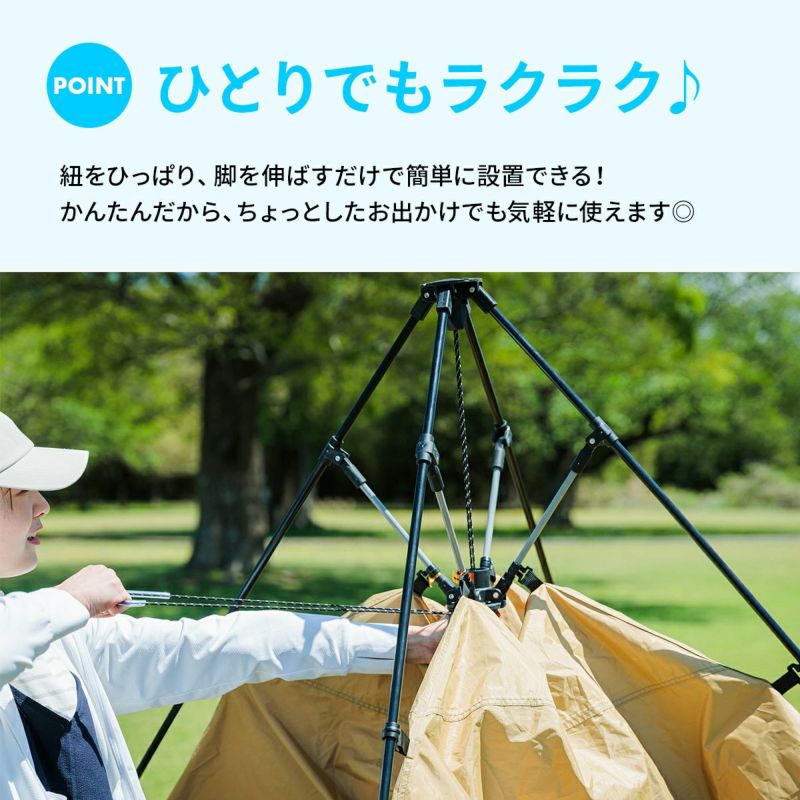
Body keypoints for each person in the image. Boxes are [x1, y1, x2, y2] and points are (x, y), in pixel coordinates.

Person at [0, 412, 446, 800]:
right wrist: (68, 601)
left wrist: (404, 644)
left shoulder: (59, 640)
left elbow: (230, 643)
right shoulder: (44, 621)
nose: (43, 505)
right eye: (20, 491)